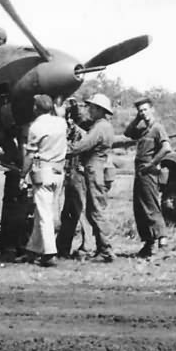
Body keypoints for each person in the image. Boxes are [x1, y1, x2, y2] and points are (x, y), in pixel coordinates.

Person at [18, 95, 67, 267]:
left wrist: (23, 174)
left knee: (44, 214)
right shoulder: (62, 123)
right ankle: (33, 249)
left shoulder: (36, 127)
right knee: (43, 211)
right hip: (59, 171)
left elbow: (31, 155)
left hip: (43, 172)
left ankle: (49, 253)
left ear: (36, 108)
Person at [66, 93, 116, 262]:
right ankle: (102, 248)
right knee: (94, 209)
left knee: (95, 210)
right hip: (98, 168)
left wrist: (64, 149)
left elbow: (83, 145)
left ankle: (106, 249)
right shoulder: (105, 126)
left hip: (94, 169)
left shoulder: (99, 127)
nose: (90, 110)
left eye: (92, 108)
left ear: (100, 110)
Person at [124, 98, 172, 257]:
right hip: (139, 170)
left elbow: (166, 148)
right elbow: (128, 133)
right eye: (140, 111)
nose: (143, 113)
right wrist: (137, 119)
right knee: (139, 207)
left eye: (145, 110)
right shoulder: (143, 129)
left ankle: (162, 242)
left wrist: (152, 164)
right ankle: (148, 243)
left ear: (152, 110)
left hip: (148, 171)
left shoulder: (158, 128)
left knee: (151, 206)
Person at [56, 97, 89, 259]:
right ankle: (63, 247)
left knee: (81, 210)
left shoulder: (87, 131)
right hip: (71, 173)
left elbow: (79, 145)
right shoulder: (74, 130)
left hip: (79, 173)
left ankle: (87, 246)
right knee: (68, 212)